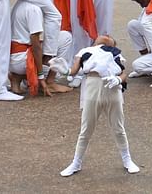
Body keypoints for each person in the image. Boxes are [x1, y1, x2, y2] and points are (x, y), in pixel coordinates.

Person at [59, 35, 140, 177]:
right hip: (92, 87)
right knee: (86, 129)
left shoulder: (115, 53)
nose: (105, 36)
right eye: (103, 36)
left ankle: (127, 160)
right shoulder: (85, 51)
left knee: (118, 128)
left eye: (109, 37)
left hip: (112, 88)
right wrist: (64, 71)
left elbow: (123, 73)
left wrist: (118, 80)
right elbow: (74, 71)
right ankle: (76, 162)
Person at [8, 0, 74, 95]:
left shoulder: (21, 1)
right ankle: (48, 81)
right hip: (22, 59)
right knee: (65, 38)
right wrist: (40, 76)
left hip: (13, 58)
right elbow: (36, 44)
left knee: (54, 39)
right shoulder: (34, 9)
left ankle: (18, 77)